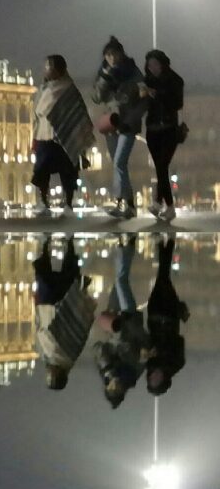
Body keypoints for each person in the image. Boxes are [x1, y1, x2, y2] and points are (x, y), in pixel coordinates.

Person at [90, 36, 147, 218]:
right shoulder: (104, 72)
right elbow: (97, 97)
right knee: (118, 165)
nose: (111, 58)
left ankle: (121, 202)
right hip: (112, 122)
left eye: (114, 54)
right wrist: (104, 78)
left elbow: (144, 97)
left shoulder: (133, 72)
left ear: (121, 54)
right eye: (107, 55)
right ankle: (128, 205)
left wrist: (134, 116)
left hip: (128, 122)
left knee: (119, 162)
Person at [30, 54, 94, 216]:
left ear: (59, 69)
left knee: (68, 170)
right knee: (41, 169)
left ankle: (68, 204)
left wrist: (79, 135)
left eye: (49, 67)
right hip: (45, 134)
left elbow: (78, 114)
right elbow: (37, 113)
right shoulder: (43, 89)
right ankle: (43, 201)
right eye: (45, 67)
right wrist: (34, 138)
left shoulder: (68, 89)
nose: (46, 70)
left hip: (65, 136)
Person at [31, 235, 95, 390]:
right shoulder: (69, 356)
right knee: (67, 275)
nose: (48, 374)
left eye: (47, 377)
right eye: (50, 377)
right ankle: (69, 243)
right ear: (59, 376)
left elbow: (40, 334)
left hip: (47, 310)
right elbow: (79, 331)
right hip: (62, 310)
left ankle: (45, 244)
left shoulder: (47, 358)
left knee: (44, 276)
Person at [93, 235, 148, 408]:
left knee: (118, 282)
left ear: (106, 387)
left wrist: (107, 366)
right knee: (121, 281)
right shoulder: (133, 374)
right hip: (129, 319)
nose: (115, 387)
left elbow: (97, 347)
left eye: (110, 389)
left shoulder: (105, 370)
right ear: (123, 391)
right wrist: (142, 353)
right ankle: (127, 246)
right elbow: (143, 347)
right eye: (117, 391)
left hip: (114, 320)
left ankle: (123, 247)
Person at [141, 49, 185, 222]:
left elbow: (177, 103)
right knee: (160, 168)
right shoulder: (147, 81)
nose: (152, 68)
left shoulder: (174, 80)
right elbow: (142, 104)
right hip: (152, 129)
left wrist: (157, 94)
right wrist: (141, 95)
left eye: (155, 64)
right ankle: (161, 204)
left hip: (169, 129)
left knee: (161, 166)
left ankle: (166, 205)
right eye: (149, 65)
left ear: (163, 64)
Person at [144, 235, 188, 396]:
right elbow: (179, 341)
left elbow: (145, 341)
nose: (154, 377)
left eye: (151, 380)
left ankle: (166, 243)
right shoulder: (176, 364)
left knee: (162, 278)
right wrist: (162, 350)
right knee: (163, 278)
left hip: (154, 316)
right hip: (169, 316)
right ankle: (164, 243)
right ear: (164, 380)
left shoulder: (148, 363)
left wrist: (148, 349)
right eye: (156, 381)